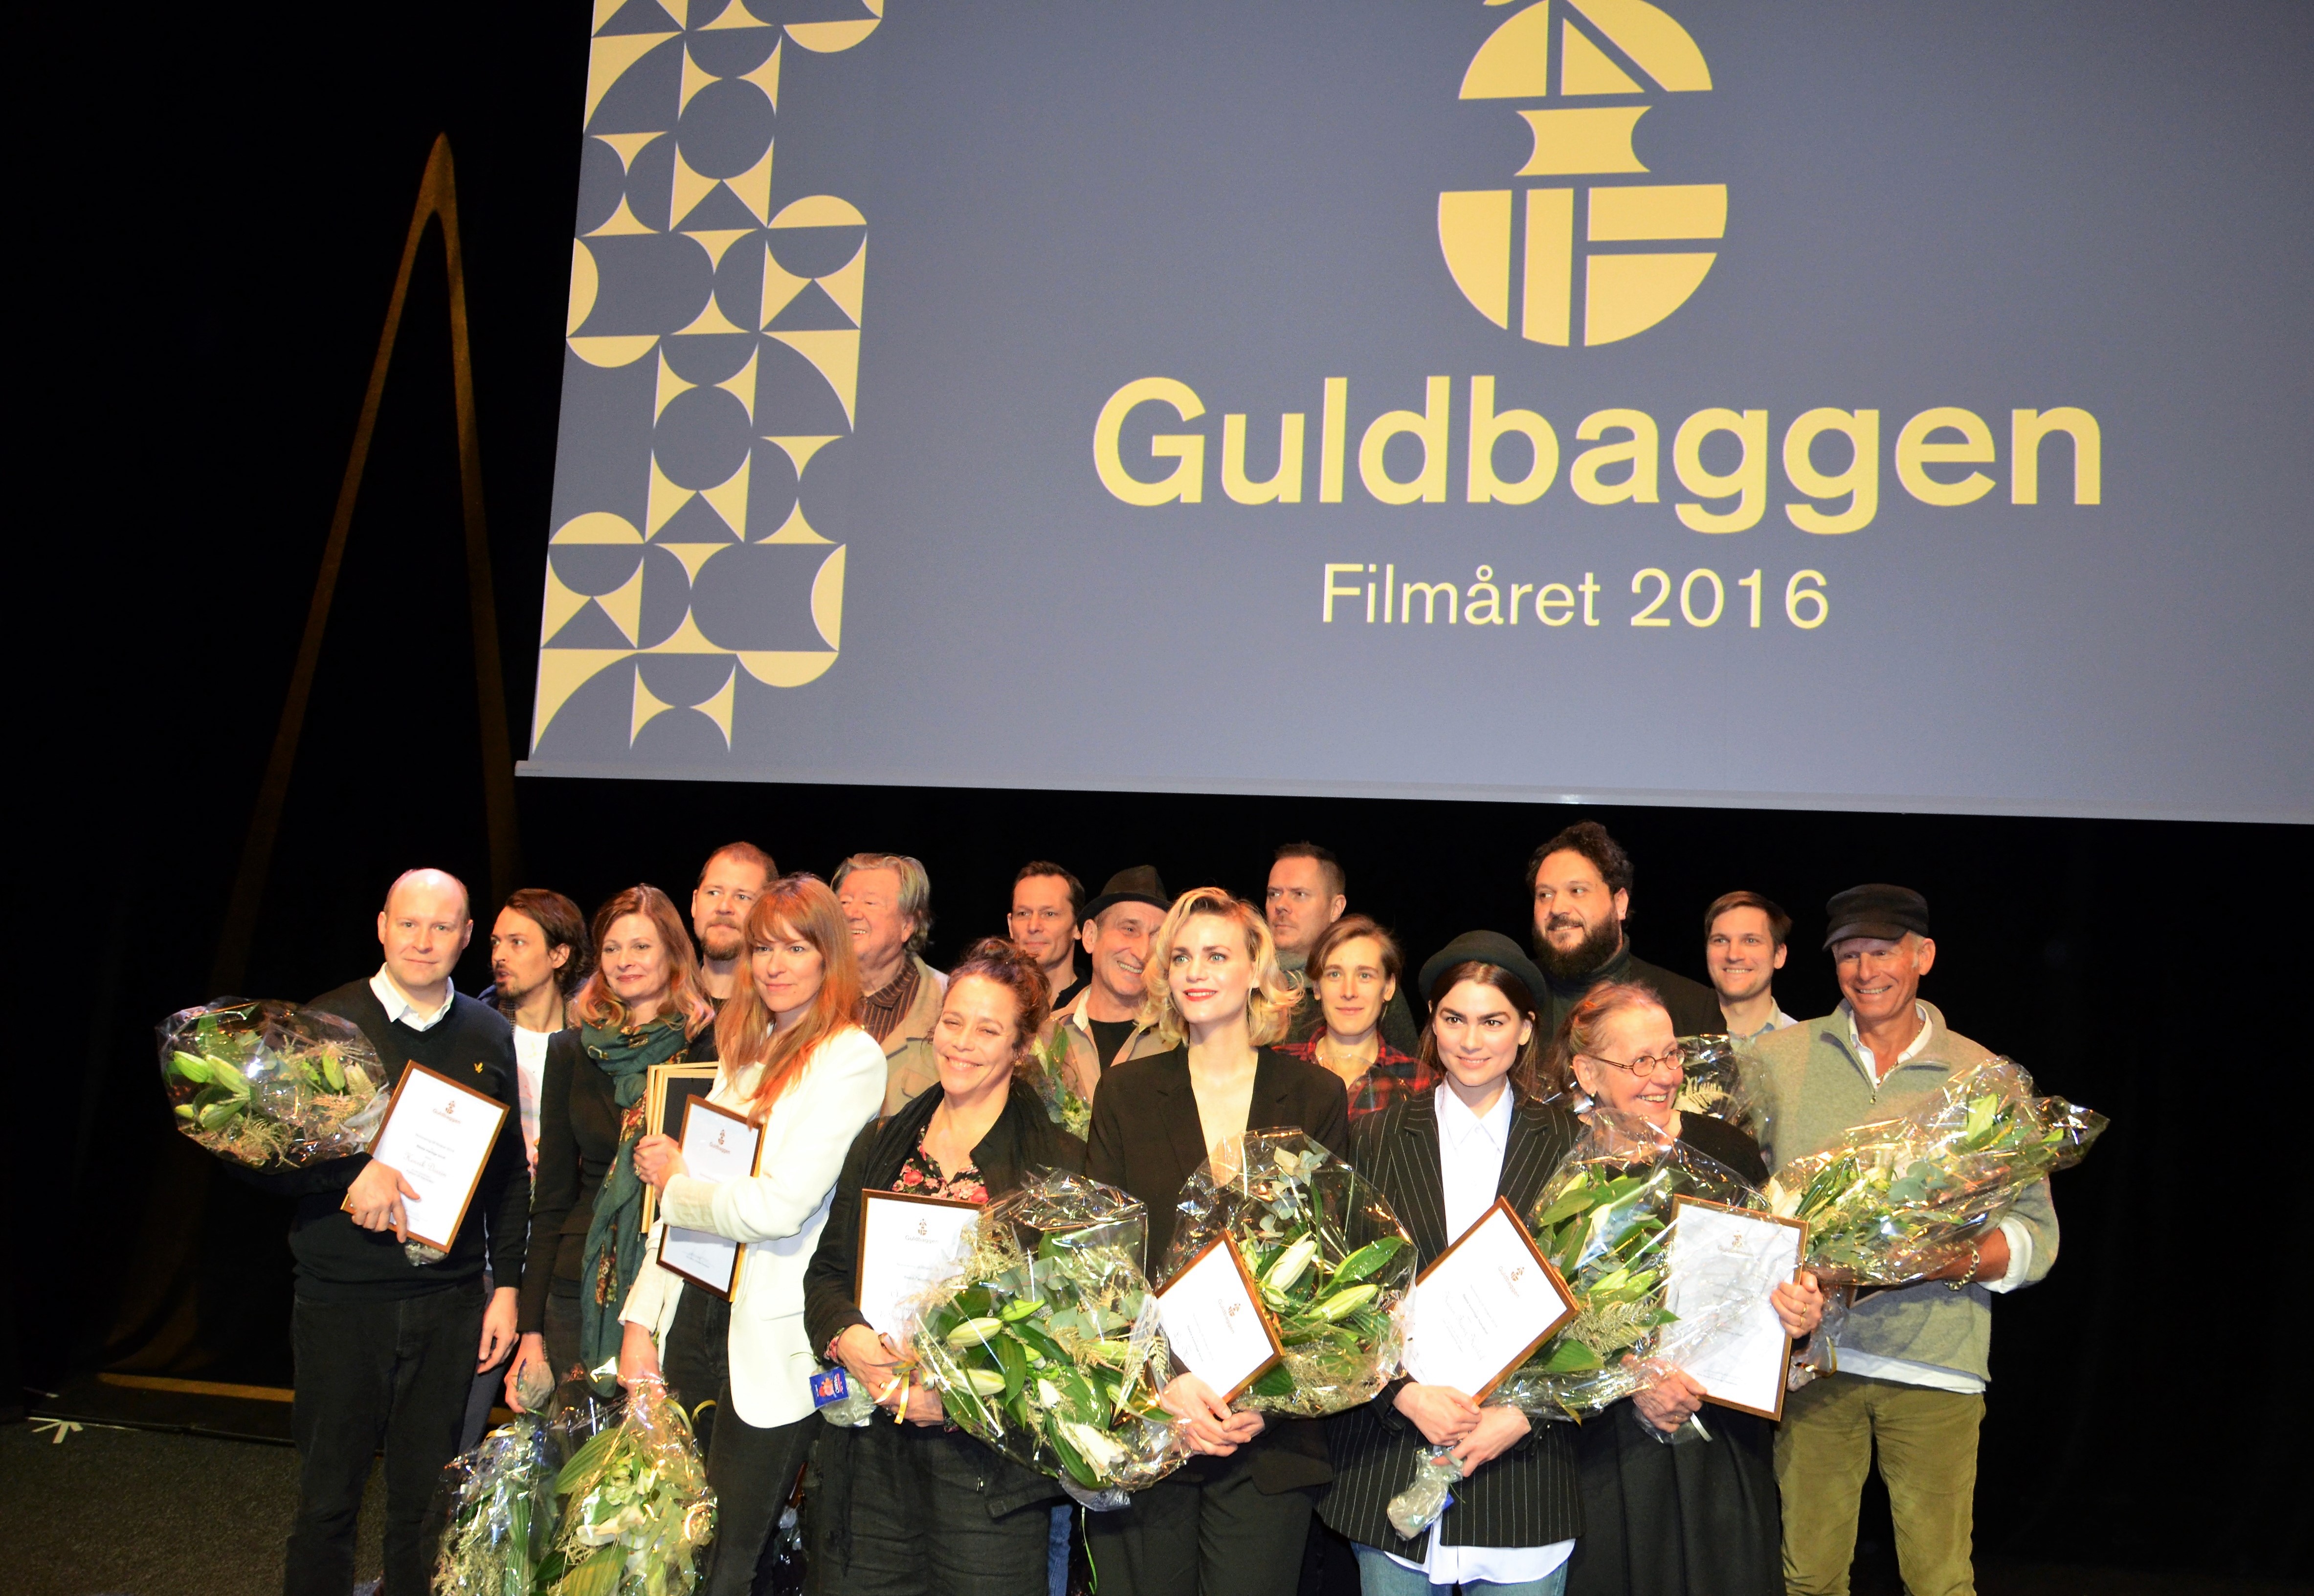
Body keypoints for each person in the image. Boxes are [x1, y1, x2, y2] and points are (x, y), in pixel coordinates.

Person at [1747, 886, 2057, 1596]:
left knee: (1939, 1581)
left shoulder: (1982, 1075)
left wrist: (1948, 1260)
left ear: (1924, 956)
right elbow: (1747, 1202)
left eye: (1883, 952)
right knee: (1809, 1578)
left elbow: (2038, 1235)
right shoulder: (1781, 1059)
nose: (1865, 971)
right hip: (1815, 1366)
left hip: (1936, 1365)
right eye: (1849, 954)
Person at [623, 874, 889, 1596]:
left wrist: (677, 1184)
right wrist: (641, 1321)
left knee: (726, 1566)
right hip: (696, 1315)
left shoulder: (851, 1058)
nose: (774, 965)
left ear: (829, 957)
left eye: (795, 948)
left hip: (769, 1343)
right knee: (670, 1551)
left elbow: (778, 1208)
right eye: (763, 948)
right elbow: (685, 1203)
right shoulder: (747, 1047)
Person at [1084, 887, 1351, 1596]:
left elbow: (1331, 1269)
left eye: (1216, 955)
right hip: (1153, 1421)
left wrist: (1265, 1396)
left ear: (1257, 970)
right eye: (1180, 958)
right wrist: (1166, 1384)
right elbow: (1102, 1262)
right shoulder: (1125, 1093)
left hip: (1267, 1435)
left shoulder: (1315, 1095)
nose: (1195, 972)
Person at [269, 868, 528, 1596]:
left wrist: (506, 1288)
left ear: (466, 936)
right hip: (342, 1300)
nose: (423, 940)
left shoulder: (490, 1033)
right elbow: (265, 1162)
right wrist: (350, 1174)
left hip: (449, 1301)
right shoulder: (327, 1023)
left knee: (423, 1507)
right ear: (382, 926)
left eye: (442, 926)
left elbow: (509, 1176)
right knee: (327, 1500)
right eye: (409, 923)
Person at [802, 938, 1084, 1594]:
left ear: (1021, 1047)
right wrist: (850, 1339)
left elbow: (1070, 1328)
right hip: (871, 1453)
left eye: (988, 1029)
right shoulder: (882, 1142)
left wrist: (957, 1397)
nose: (961, 1042)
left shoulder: (1058, 1166)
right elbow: (826, 1274)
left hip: (988, 1469)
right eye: (953, 1021)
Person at [1320, 931, 1584, 1596]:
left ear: (1526, 1029)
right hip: (1391, 1463)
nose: (1471, 1041)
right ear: (1432, 1024)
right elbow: (1338, 1294)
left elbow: (1595, 1307)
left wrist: (1523, 1416)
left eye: (1493, 1022)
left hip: (1526, 1479)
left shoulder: (1571, 1146)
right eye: (1453, 1019)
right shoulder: (1374, 1137)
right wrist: (1403, 1395)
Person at [1543, 981, 1823, 1596]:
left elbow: (1769, 1279)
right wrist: (1628, 1376)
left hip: (1719, 1440)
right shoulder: (1553, 1156)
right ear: (1587, 1073)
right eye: (1640, 1061)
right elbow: (1537, 1315)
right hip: (1601, 1449)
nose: (1665, 1076)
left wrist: (1797, 1315)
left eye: (1671, 1055)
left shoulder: (1727, 1148)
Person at [506, 886, 717, 1404]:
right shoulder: (572, 1049)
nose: (625, 961)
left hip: (673, 1277)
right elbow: (552, 1195)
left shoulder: (711, 1047)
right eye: (612, 948)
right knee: (578, 1448)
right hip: (576, 1286)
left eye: (641, 946)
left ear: (673, 952)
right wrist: (530, 1330)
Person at [1526, 822, 1718, 1038]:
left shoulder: (1693, 1008)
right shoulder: (1512, 996)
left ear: (1620, 903)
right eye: (1545, 895)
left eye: (1577, 891)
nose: (1557, 908)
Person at [1270, 843, 1421, 1054]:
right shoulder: (1245, 982)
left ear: (1336, 908)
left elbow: (1407, 1067)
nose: (1281, 905)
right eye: (1274, 894)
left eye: (1299, 894)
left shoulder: (1373, 986)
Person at [1041, 865, 1173, 1096]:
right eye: (1129, 929)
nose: (1143, 952)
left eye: (1156, 938)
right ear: (1090, 936)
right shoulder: (1046, 1037)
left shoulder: (1179, 1040)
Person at [1276, 914, 1424, 1120]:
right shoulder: (1276, 1069)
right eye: (1334, 975)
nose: (1348, 992)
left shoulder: (1420, 1083)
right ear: (1317, 987)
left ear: (1389, 987)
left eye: (1365, 976)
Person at [487, 887, 592, 1170]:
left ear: (558, 955)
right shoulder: (483, 1034)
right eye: (496, 943)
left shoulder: (593, 1040)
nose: (500, 955)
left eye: (517, 943)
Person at [836, 852, 948, 1113]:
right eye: (844, 902)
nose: (852, 913)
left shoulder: (948, 1004)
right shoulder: (807, 994)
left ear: (908, 925)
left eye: (870, 902)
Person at [1701, 891, 1796, 1044]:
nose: (1733, 955)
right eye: (1721, 940)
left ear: (1779, 955)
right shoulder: (1674, 1040)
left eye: (1751, 941)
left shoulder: (1806, 1046)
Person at [693, 841, 777, 1003]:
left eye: (742, 897)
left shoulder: (782, 1011)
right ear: (695, 903)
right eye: (714, 893)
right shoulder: (662, 1004)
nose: (724, 907)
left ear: (769, 912)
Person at [1010, 860, 1089, 1011]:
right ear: (1010, 925)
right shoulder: (991, 1006)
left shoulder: (1098, 1011)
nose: (1033, 927)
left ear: (1079, 927)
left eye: (1049, 914)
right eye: (1023, 914)